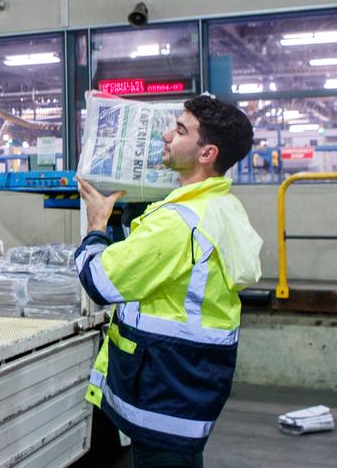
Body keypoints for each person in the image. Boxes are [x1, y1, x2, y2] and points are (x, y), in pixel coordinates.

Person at [74, 95, 263, 467]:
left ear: (207, 153)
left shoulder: (179, 222)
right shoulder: (219, 205)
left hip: (165, 386)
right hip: (192, 380)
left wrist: (96, 225)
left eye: (179, 130)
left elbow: (99, 282)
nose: (166, 135)